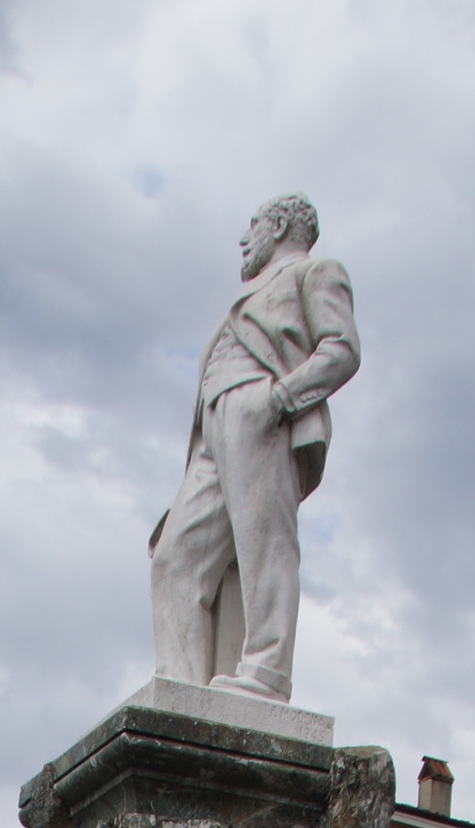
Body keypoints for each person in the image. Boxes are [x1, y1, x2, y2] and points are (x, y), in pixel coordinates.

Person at [150, 192, 360, 706]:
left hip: (261, 408)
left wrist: (280, 398)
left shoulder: (315, 272)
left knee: (264, 540)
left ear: (280, 224)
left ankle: (266, 671)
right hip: (213, 426)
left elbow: (342, 348)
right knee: (175, 557)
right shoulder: (250, 294)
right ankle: (181, 692)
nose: (244, 239)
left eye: (253, 225)